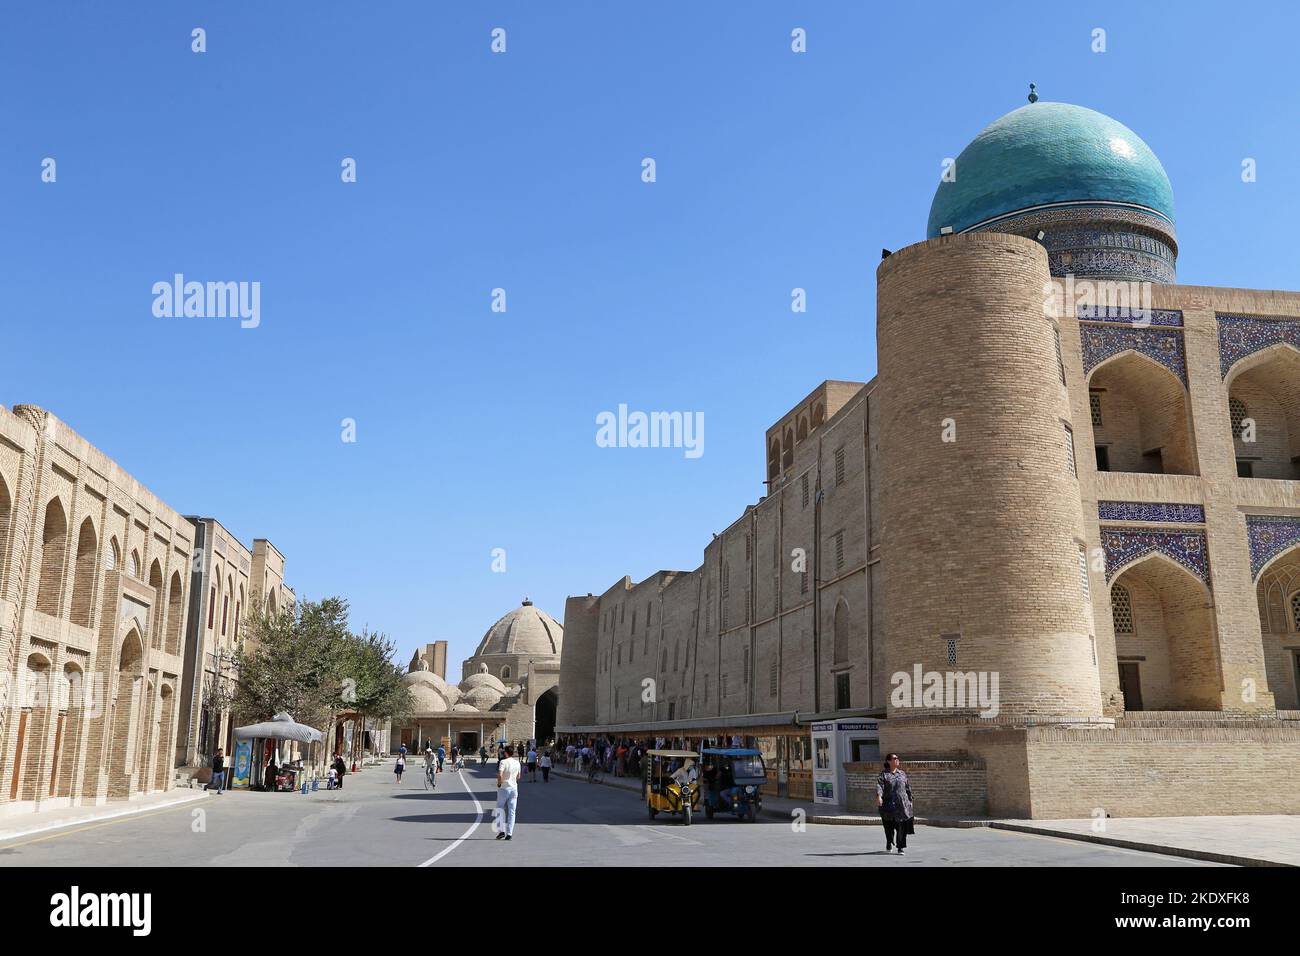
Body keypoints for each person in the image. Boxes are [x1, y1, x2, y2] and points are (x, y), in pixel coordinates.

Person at [876, 753, 914, 855]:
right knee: (889, 827)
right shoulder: (884, 774)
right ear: (888, 761)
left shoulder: (902, 773)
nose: (897, 759)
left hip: (902, 805)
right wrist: (879, 796)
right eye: (894, 758)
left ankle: (900, 847)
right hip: (888, 806)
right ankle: (889, 841)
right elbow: (880, 786)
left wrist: (910, 800)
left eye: (897, 758)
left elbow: (907, 787)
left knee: (901, 827)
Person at [495, 745, 522, 842]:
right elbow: (519, 776)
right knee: (512, 811)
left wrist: (499, 783)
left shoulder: (503, 762)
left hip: (504, 788)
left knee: (499, 809)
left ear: (505, 753)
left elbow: (500, 774)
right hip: (514, 788)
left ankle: (501, 830)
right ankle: (509, 833)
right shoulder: (517, 762)